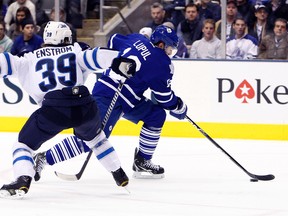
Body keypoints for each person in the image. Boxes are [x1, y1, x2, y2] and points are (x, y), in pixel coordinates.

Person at [33, 25, 188, 181]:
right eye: (169, 49)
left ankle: (142, 161)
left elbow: (113, 39)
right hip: (109, 96)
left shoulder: (137, 39)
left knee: (155, 116)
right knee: (92, 138)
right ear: (161, 44)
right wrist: (178, 106)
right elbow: (163, 97)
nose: (170, 53)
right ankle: (44, 158)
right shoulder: (163, 64)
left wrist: (122, 60)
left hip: (126, 98)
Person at [0, 21, 130, 198]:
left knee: (23, 145)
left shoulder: (30, 58)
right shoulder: (76, 50)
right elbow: (96, 56)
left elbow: (6, 61)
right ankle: (118, 173)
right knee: (97, 138)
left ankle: (23, 178)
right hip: (85, 106)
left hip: (54, 110)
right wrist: (119, 62)